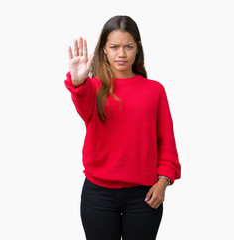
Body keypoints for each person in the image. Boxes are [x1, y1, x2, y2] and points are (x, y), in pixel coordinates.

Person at [64, 15, 181, 240]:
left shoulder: (155, 90)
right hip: (98, 195)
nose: (121, 53)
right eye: (114, 47)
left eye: (128, 46)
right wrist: (78, 82)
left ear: (138, 48)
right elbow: (82, 103)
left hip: (144, 195)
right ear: (104, 50)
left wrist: (163, 181)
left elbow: (166, 141)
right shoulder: (93, 88)